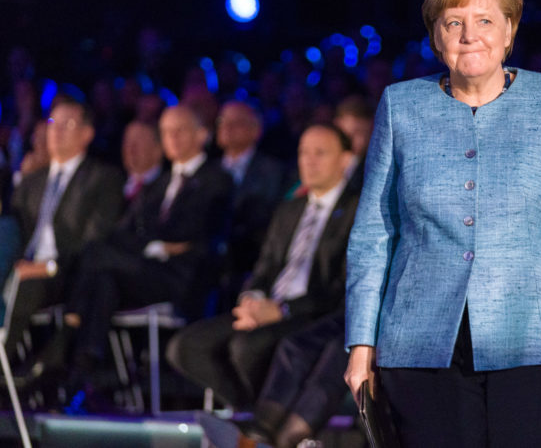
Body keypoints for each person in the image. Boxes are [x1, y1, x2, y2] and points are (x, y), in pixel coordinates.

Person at [344, 0, 541, 448]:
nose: (469, 35)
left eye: (485, 20)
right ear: (436, 36)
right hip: (421, 344)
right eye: (453, 22)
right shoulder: (400, 105)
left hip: (534, 340)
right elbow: (375, 231)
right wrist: (361, 343)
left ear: (510, 30)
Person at [24, 105, 233, 403]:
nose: (171, 138)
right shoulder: (158, 184)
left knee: (96, 254)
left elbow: (196, 233)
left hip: (183, 278)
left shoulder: (216, 179)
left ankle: (67, 342)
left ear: (202, 134)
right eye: (165, 132)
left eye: (179, 130)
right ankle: (83, 366)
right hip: (144, 272)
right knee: (104, 277)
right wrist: (157, 245)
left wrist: (152, 243)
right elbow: (123, 232)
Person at [166, 123, 358, 413]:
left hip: (313, 314)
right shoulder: (289, 209)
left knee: (246, 347)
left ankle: (263, 422)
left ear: (345, 160)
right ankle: (253, 416)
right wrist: (252, 299)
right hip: (268, 307)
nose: (308, 161)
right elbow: (265, 267)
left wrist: (283, 310)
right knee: (185, 347)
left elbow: (341, 289)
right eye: (303, 152)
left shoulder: (358, 209)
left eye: (320, 153)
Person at [5, 97, 124, 359]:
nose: (56, 131)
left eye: (67, 124)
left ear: (87, 133)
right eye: (52, 123)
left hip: (68, 273)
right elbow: (12, 231)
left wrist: (47, 266)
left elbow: (96, 240)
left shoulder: (103, 178)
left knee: (24, 289)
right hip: (20, 268)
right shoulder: (31, 181)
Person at [216, 101, 286, 302]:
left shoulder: (273, 172)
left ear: (256, 130)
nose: (227, 128)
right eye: (222, 121)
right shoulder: (207, 171)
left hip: (248, 258)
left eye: (236, 122)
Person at [120, 120, 163, 203]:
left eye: (139, 142)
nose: (130, 149)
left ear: (158, 150)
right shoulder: (113, 183)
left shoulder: (167, 188)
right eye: (127, 141)